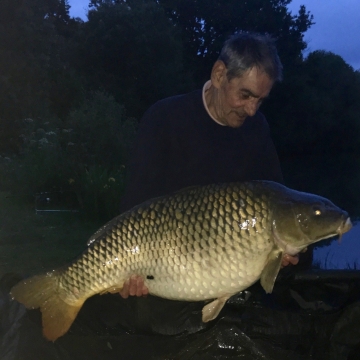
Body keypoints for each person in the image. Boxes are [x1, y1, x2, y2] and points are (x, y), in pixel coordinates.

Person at [111, 31, 299, 334]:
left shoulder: (256, 129)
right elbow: (134, 205)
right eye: (246, 95)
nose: (252, 110)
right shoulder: (164, 118)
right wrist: (127, 267)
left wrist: (286, 247)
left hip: (232, 267)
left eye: (260, 100)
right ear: (219, 73)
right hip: (165, 266)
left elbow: (277, 200)